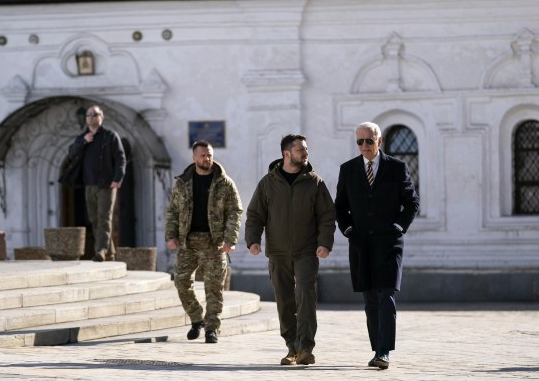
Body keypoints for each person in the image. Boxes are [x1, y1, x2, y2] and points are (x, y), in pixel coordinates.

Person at [334, 121, 420, 370]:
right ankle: (376, 350)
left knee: (386, 294)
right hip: (361, 243)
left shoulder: (397, 167)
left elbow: (412, 202)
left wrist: (398, 227)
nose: (364, 146)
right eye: (359, 141)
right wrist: (348, 228)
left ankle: (384, 352)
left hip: (389, 243)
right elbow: (340, 205)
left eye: (369, 141)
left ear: (379, 141)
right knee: (370, 299)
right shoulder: (348, 169)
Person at [245, 134, 335, 366]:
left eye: (306, 149)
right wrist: (253, 240)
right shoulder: (268, 183)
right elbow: (255, 214)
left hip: (307, 251)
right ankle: (292, 347)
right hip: (278, 252)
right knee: (284, 300)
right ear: (287, 154)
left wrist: (324, 243)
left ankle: (306, 347)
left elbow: (327, 216)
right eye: (301, 150)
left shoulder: (315, 182)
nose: (306, 153)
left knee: (305, 295)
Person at [165, 141, 243, 343]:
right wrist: (171, 236)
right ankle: (197, 318)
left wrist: (230, 239)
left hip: (214, 243)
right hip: (188, 243)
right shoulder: (183, 182)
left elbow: (235, 211)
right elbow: (173, 211)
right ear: (194, 158)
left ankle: (212, 329)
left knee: (214, 288)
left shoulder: (225, 183)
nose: (206, 159)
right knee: (181, 282)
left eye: (209, 155)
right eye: (202, 155)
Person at [68, 105, 126, 261]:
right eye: (89, 115)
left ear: (102, 117)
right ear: (86, 119)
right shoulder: (83, 138)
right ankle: (111, 253)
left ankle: (100, 251)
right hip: (89, 184)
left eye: (95, 114)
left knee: (104, 218)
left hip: (106, 184)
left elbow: (121, 159)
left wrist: (117, 178)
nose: (92, 117)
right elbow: (71, 154)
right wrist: (83, 142)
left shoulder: (110, 136)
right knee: (94, 219)